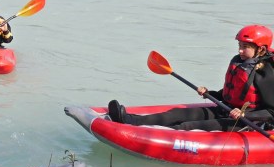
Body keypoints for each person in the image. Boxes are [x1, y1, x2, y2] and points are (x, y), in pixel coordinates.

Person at [108, 25, 274, 131]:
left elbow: (271, 112)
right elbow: (232, 93)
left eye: (245, 47)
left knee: (187, 126)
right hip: (226, 108)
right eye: (239, 46)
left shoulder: (265, 72)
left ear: (260, 50)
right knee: (176, 114)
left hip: (247, 122)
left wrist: (245, 115)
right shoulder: (240, 62)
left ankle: (140, 134)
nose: (240, 50)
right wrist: (211, 93)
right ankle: (129, 120)